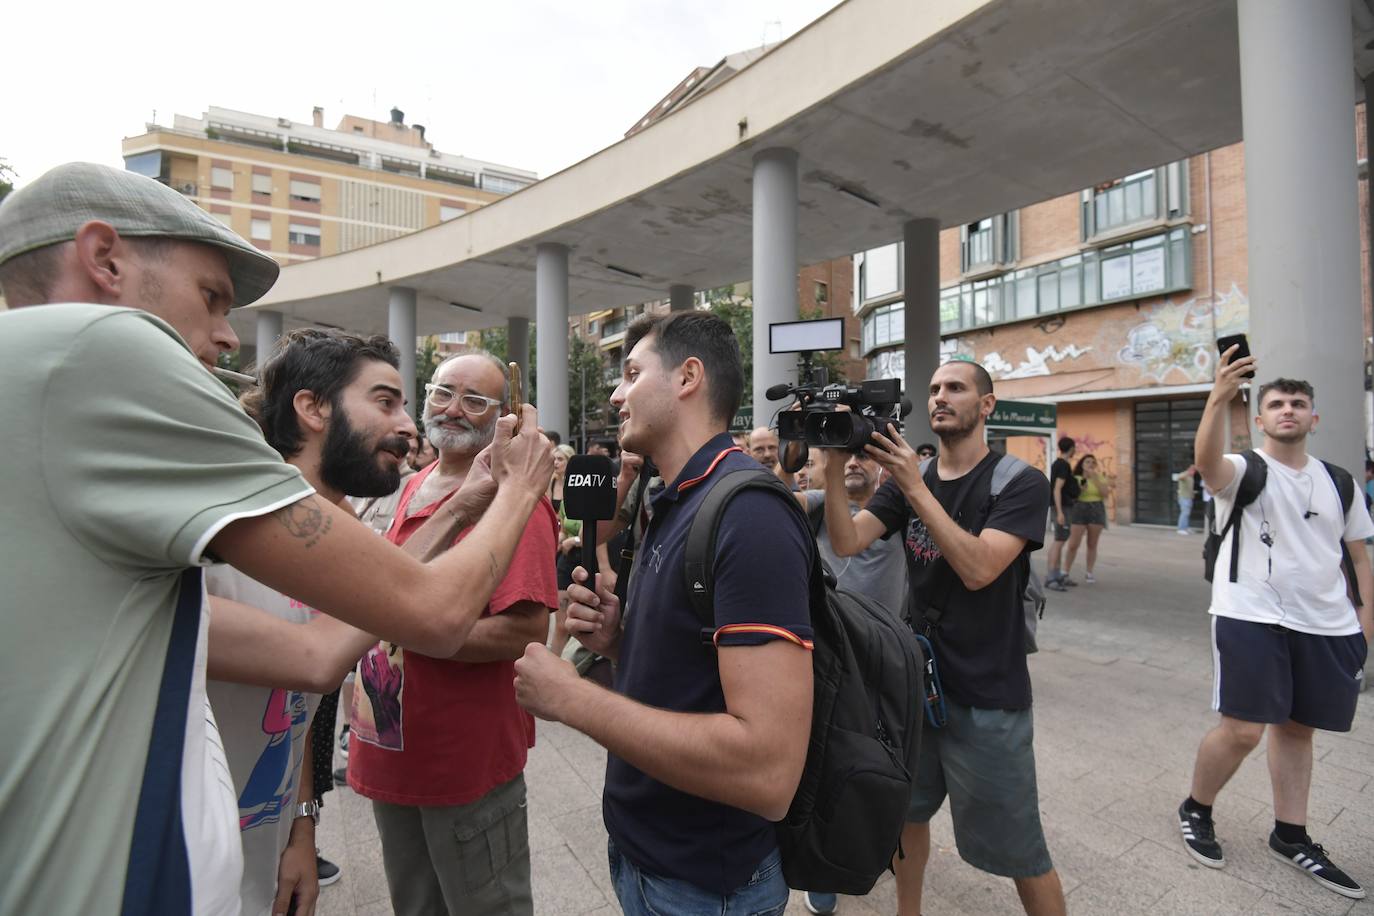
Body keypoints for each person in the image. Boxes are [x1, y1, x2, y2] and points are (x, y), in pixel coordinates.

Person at [0, 162, 553, 916]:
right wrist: (522, 486)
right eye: (210, 296)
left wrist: (300, 817)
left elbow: (317, 650)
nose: (228, 336)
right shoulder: (97, 347)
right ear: (104, 260)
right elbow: (409, 619)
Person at [513, 311, 814, 915]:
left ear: (688, 377)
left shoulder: (748, 514)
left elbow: (768, 772)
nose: (616, 393)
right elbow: (699, 672)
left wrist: (572, 698)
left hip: (706, 884)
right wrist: (621, 641)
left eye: (630, 373)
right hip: (643, 854)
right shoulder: (671, 498)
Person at [822, 359, 1063, 916]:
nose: (939, 397)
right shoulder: (914, 481)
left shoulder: (1018, 483)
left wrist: (913, 486)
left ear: (986, 405)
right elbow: (846, 539)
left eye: (955, 387)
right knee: (906, 817)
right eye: (933, 389)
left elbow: (980, 569)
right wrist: (834, 466)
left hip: (989, 696)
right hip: (918, 689)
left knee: (1022, 851)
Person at [205, 328, 417, 916]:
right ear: (312, 407)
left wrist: (301, 829)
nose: (408, 424)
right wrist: (506, 491)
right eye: (385, 401)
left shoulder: (328, 548)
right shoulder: (223, 537)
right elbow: (317, 662)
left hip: (268, 857)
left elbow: (292, 708)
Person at [347, 349, 559, 916]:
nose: (455, 409)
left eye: (475, 400)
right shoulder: (408, 485)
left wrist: (418, 630)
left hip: (463, 763)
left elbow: (526, 631)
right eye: (444, 392)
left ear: (503, 415)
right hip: (392, 751)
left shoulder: (513, 503)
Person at [1177, 348, 1372, 901]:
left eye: (1299, 403)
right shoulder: (1244, 470)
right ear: (1260, 419)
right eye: (1277, 404)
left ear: (1315, 418)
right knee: (1243, 729)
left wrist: (1363, 627)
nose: (1289, 410)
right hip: (1250, 616)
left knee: (1297, 729)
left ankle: (1291, 834)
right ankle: (1197, 806)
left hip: (1328, 623)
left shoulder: (1339, 482)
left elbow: (1359, 558)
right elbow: (1208, 462)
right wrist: (1218, 396)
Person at [788, 447, 907, 916]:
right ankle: (823, 872)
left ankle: (873, 846)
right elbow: (773, 500)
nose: (853, 461)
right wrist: (791, 451)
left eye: (862, 454)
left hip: (880, 666)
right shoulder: (816, 503)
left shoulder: (898, 510)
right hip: (821, 663)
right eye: (844, 455)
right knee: (820, 764)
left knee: (874, 763)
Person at [550, 443, 582, 655]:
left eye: (560, 459)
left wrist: (575, 541)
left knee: (578, 621)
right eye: (554, 459)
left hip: (582, 555)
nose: (555, 463)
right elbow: (562, 520)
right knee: (561, 622)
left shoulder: (580, 490)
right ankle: (552, 664)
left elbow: (597, 529)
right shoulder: (554, 483)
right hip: (565, 557)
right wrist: (560, 539)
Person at [1061, 454, 1112, 584]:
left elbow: (1105, 494)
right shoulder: (1075, 478)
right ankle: (1065, 571)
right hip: (1079, 509)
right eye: (1087, 462)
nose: (1090, 464)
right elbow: (1073, 496)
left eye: (1092, 462)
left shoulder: (1100, 477)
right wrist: (1081, 486)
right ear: (1082, 464)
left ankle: (1089, 572)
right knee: (1073, 544)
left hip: (1096, 509)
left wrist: (1094, 477)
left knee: (1092, 544)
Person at [1045, 436, 1078, 591]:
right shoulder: (1063, 465)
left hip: (1061, 506)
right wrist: (1059, 512)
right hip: (1062, 507)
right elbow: (1057, 488)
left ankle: (1056, 575)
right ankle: (1051, 577)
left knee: (1060, 540)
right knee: (1058, 541)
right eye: (1074, 448)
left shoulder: (1057, 463)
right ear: (1071, 448)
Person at [1175, 464, 1199, 535]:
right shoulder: (1184, 474)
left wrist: (1193, 492)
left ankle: (1185, 528)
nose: (1194, 472)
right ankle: (1180, 529)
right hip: (1184, 498)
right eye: (1193, 470)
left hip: (1189, 498)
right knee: (1184, 513)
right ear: (1190, 469)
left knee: (1187, 514)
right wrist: (1188, 473)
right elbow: (1179, 477)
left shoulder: (1191, 477)